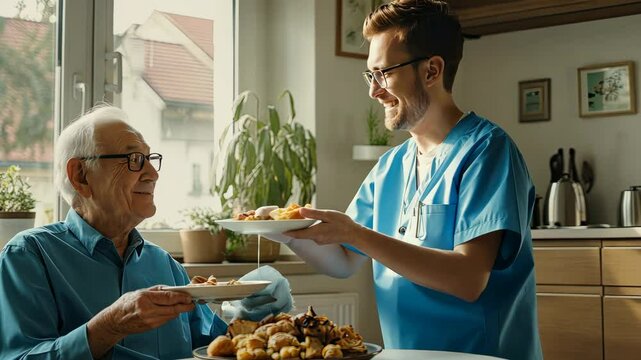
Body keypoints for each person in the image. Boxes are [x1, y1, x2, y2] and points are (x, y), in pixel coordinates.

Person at [273, 1, 543, 359]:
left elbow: (468, 279)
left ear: (431, 70)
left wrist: (355, 233)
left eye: (383, 73)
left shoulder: (487, 151)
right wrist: (282, 229)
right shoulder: (392, 166)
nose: (374, 91)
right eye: (370, 75)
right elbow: (342, 262)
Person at [0, 106, 292, 359]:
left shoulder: (164, 265)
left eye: (150, 159)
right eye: (134, 160)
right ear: (81, 175)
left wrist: (251, 315)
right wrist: (108, 326)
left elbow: (215, 346)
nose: (153, 173)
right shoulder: (28, 256)